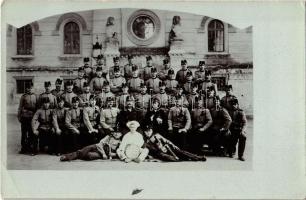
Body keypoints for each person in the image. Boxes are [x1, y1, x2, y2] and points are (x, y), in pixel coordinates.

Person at [17, 82, 38, 155]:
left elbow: (38, 108)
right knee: (24, 133)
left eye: (31, 88)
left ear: (33, 88)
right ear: (26, 88)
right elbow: (20, 107)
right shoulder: (23, 96)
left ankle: (31, 147)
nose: (29, 89)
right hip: (25, 116)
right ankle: (23, 148)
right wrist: (19, 116)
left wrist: (37, 118)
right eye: (28, 88)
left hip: (33, 117)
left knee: (32, 133)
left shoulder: (36, 96)